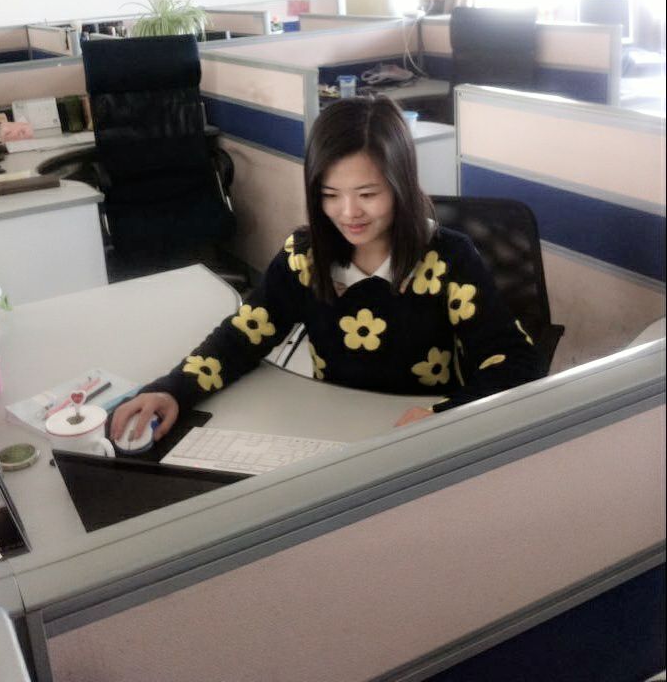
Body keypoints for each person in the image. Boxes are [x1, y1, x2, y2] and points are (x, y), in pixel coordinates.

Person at [110, 95, 547, 444]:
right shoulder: (304, 257)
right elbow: (244, 335)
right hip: (333, 430)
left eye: (368, 194)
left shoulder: (449, 259)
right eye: (330, 194)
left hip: (420, 431)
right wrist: (173, 388)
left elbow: (514, 361)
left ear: (401, 186)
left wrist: (443, 416)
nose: (348, 212)